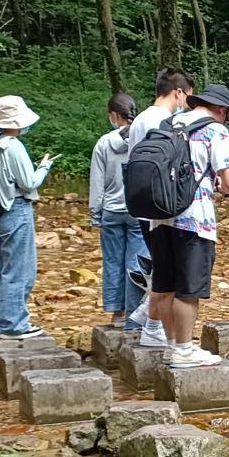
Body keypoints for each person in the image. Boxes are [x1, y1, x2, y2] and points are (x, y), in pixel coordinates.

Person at [144, 84, 229, 367]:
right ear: (220, 110)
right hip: (194, 219)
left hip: (159, 216)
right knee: (189, 289)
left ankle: (173, 345)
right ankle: (185, 349)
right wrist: (220, 184)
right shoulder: (215, 130)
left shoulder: (168, 123)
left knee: (164, 286)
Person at [127, 68, 195, 349]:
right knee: (168, 275)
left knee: (161, 271)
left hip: (142, 205)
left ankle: (151, 322)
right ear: (178, 92)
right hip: (163, 208)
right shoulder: (169, 122)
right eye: (189, 96)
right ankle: (153, 326)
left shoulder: (140, 119)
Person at [0, 95, 53, 338]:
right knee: (21, 270)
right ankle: (14, 325)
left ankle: (4, 323)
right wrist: (44, 167)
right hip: (17, 209)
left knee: (3, 269)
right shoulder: (13, 145)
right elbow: (28, 182)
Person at [89, 92, 145, 330]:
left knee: (112, 261)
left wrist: (95, 213)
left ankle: (117, 313)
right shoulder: (143, 139)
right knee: (136, 262)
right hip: (137, 208)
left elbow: (97, 181)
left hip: (111, 210)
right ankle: (134, 314)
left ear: (113, 115)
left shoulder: (103, 143)